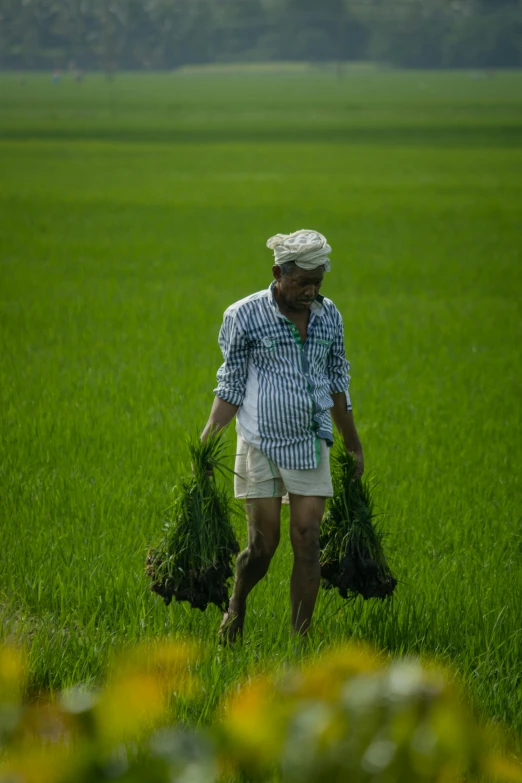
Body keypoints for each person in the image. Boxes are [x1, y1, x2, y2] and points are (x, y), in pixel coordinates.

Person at [200, 229, 364, 641]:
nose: (310, 292)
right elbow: (231, 384)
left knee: (308, 539)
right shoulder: (244, 315)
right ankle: (237, 605)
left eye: (317, 283)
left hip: (311, 441)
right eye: (301, 282)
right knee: (263, 546)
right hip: (259, 443)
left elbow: (337, 382)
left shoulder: (330, 317)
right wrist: (206, 441)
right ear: (277, 272)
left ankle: (300, 642)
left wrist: (353, 444)